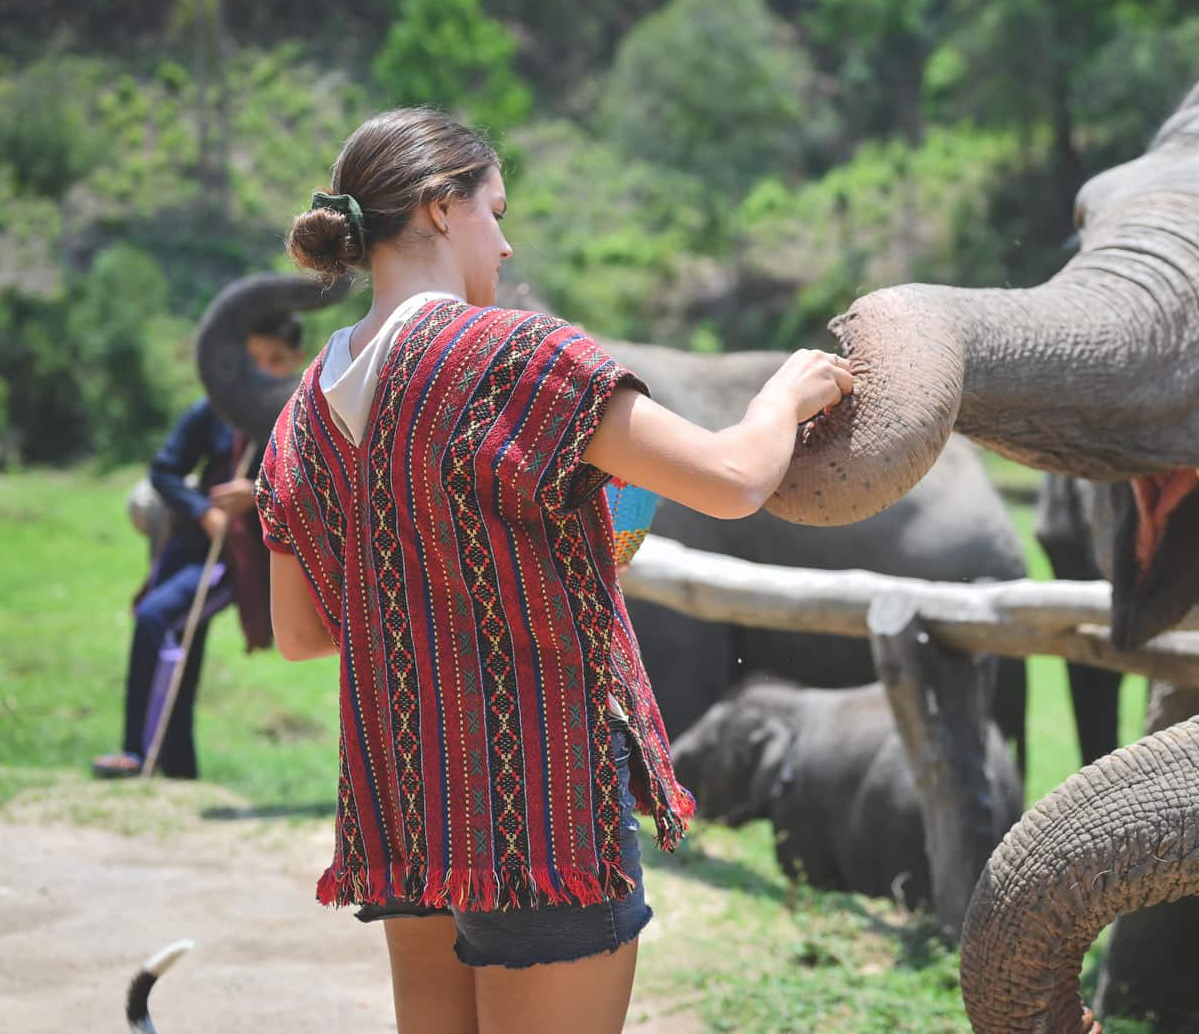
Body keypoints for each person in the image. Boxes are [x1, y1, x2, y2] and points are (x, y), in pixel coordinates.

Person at [255, 108, 851, 1034]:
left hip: (407, 808)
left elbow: (300, 636)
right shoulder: (513, 354)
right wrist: (786, 393)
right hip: (535, 805)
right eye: (495, 210)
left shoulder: (300, 415)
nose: (505, 238)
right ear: (439, 208)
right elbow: (733, 480)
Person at [92, 313, 307, 780]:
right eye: (254, 360)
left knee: (157, 619)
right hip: (198, 544)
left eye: (276, 360)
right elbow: (165, 470)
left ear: (296, 362)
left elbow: (317, 487)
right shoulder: (214, 408)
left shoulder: (300, 417)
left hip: (245, 558)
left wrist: (255, 493)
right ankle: (174, 767)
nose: (263, 369)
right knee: (177, 639)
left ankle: (136, 752)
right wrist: (203, 510)